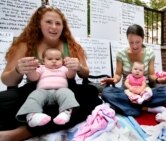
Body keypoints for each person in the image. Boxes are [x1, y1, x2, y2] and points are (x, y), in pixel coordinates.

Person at [0, 4, 102, 141]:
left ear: (63, 26)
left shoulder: (72, 46)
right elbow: (7, 80)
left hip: (66, 90)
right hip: (35, 91)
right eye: (48, 22)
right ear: (38, 24)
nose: (54, 27)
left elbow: (85, 74)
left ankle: (24, 131)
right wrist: (18, 70)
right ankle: (49, 117)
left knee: (91, 94)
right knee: (4, 100)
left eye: (58, 23)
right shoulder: (25, 45)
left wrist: (79, 67)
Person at [101, 24, 166, 116]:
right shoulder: (121, 54)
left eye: (138, 42)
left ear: (143, 39)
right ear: (127, 41)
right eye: (131, 42)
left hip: (143, 92)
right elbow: (117, 75)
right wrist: (114, 79)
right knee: (106, 92)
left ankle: (131, 107)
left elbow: (151, 75)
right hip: (127, 92)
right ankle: (143, 107)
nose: (134, 46)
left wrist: (159, 80)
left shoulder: (150, 53)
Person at [16, 48, 80, 127]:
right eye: (50, 59)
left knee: (68, 93)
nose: (54, 61)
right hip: (43, 91)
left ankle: (65, 113)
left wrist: (72, 68)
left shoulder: (63, 68)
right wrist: (31, 70)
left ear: (62, 61)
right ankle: (33, 116)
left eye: (57, 59)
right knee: (34, 96)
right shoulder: (41, 68)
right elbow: (34, 78)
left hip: (60, 90)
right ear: (43, 61)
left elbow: (70, 76)